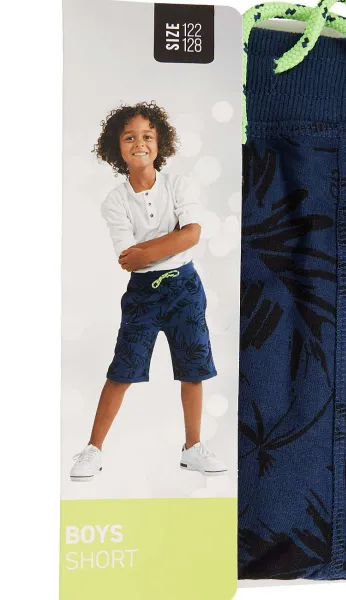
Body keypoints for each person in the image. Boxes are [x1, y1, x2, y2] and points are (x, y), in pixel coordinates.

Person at [70, 101, 226, 482]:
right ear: (117, 147)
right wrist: (172, 240)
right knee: (123, 369)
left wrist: (151, 250)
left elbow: (193, 233)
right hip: (142, 295)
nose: (139, 143)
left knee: (193, 368)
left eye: (147, 136)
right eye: (129, 138)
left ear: (160, 142)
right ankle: (93, 449)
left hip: (185, 288)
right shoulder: (115, 201)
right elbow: (129, 259)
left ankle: (193, 448)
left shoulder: (178, 185)